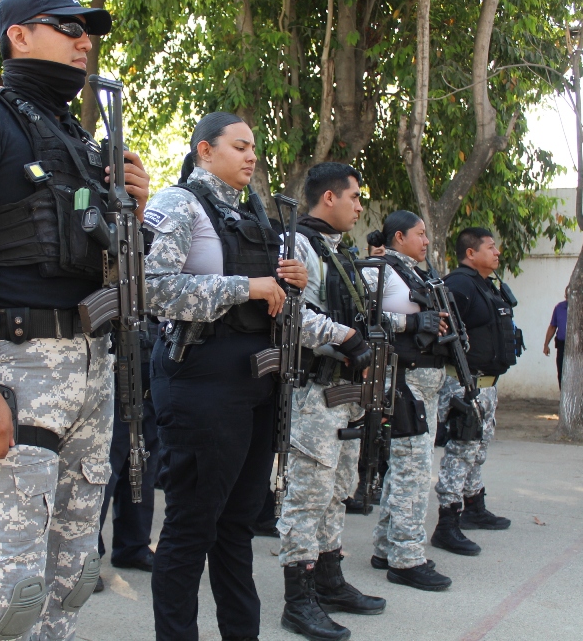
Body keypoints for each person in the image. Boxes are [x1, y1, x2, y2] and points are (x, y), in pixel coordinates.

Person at [0, 0, 150, 640]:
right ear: (18, 35)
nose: (84, 39)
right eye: (66, 26)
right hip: (11, 373)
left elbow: (113, 268)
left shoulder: (76, 139)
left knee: (68, 578)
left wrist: (135, 208)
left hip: (88, 370)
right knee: (8, 591)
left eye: (88, 30)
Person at [144, 113, 370, 641]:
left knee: (237, 528)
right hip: (200, 380)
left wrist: (295, 293)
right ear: (205, 151)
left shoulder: (259, 217)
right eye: (239, 146)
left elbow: (276, 303)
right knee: (190, 529)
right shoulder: (178, 204)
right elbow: (152, 290)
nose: (251, 157)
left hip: (256, 382)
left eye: (254, 148)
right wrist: (245, 287)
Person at [276, 162, 383, 641]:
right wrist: (347, 339)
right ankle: (297, 602)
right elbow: (291, 315)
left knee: (338, 490)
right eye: (355, 197)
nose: (360, 206)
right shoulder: (298, 244)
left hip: (343, 393)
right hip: (313, 391)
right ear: (328, 199)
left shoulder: (337, 250)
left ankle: (330, 579)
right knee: (306, 497)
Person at [365, 211, 453, 592]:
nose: (426, 241)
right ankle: (406, 558)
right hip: (402, 378)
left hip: (424, 380)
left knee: (409, 465)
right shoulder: (377, 269)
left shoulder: (418, 272)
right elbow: (360, 315)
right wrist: (413, 324)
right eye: (420, 234)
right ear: (398, 237)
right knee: (414, 469)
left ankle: (388, 546)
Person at [430, 228, 520, 557]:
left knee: (477, 449)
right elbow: (444, 335)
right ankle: (447, 523)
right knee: (461, 450)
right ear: (471, 253)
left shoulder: (485, 285)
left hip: (486, 386)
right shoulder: (460, 285)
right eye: (491, 247)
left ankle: (474, 505)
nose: (497, 252)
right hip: (464, 386)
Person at [96, 319, 160, 587]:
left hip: (154, 353)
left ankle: (133, 546)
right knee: (104, 467)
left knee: (143, 461)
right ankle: (84, 557)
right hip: (116, 353)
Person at [544, 288, 569, 387]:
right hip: (562, 345)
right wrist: (546, 345)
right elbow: (552, 326)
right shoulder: (559, 307)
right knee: (561, 372)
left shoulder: (582, 308)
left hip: (577, 346)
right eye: (567, 296)